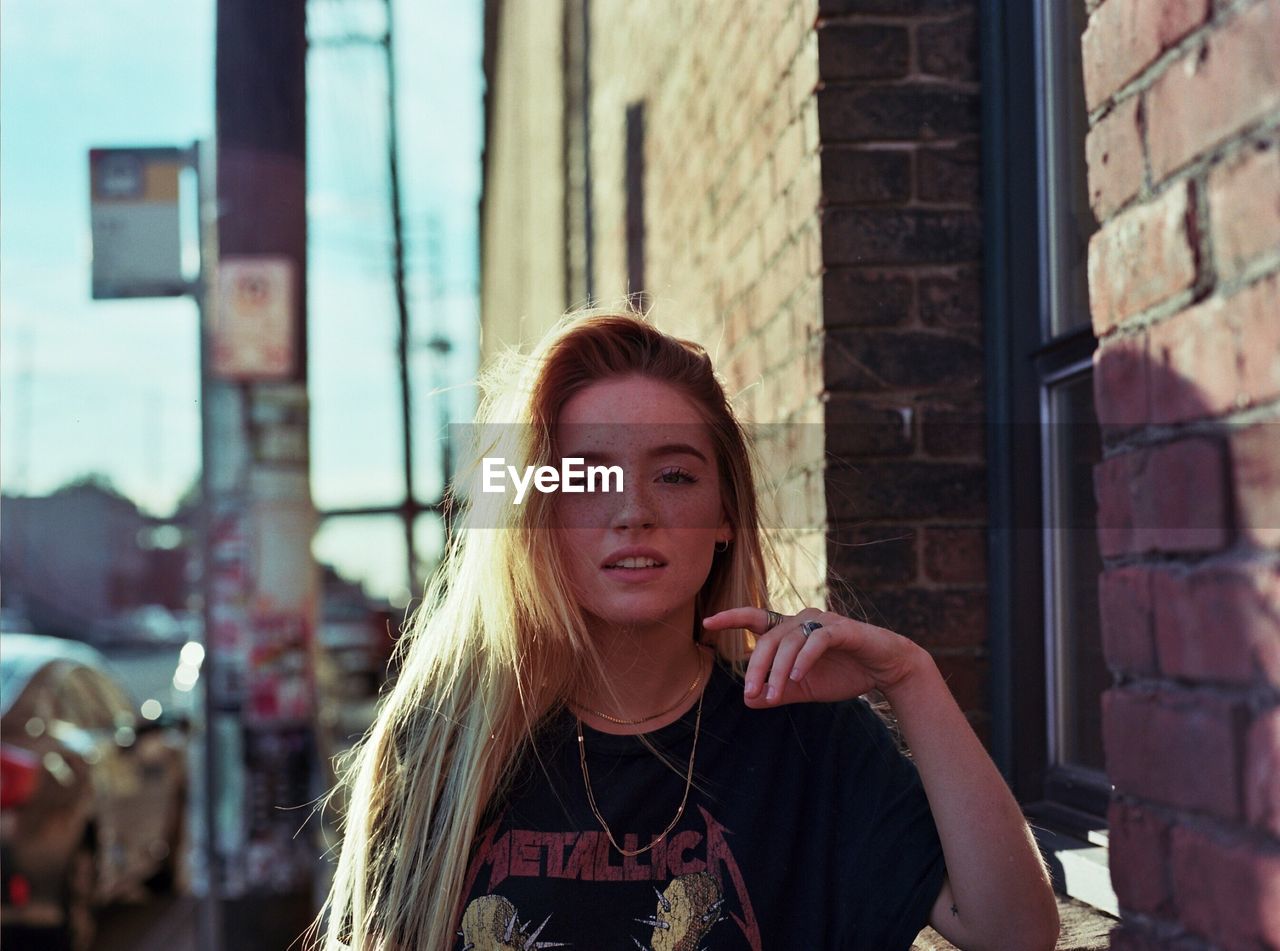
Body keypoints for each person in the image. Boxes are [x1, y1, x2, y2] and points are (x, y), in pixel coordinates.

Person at [313, 309, 1060, 951]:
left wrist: (910, 677)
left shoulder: (809, 740)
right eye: (585, 477)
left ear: (725, 514)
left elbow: (1016, 930)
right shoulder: (447, 741)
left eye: (674, 475)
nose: (633, 510)